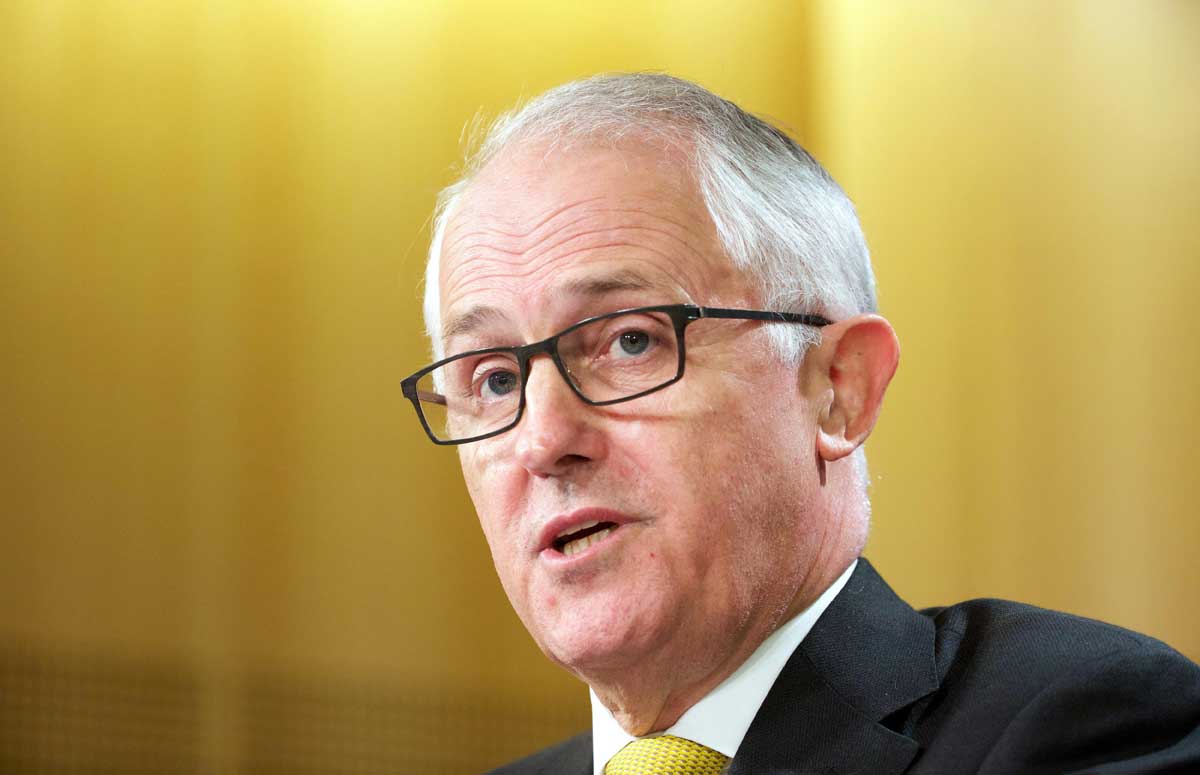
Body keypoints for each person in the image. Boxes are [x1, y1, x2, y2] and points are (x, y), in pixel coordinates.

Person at [401, 73, 1200, 775]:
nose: (544, 440)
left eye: (630, 340)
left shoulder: (1075, 723)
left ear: (838, 389)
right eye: (496, 378)